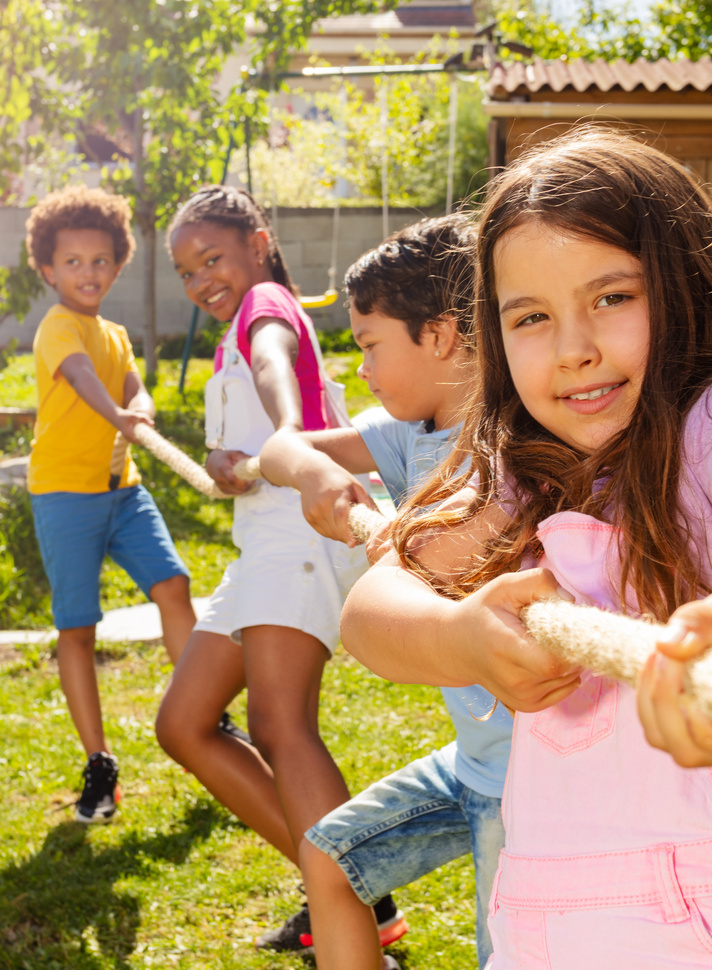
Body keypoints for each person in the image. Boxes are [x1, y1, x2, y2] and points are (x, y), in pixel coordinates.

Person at [341, 129, 712, 969]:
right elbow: (373, 608)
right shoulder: (530, 468)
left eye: (613, 297)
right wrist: (458, 634)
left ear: (686, 287)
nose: (574, 345)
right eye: (532, 317)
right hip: (561, 918)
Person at [256, 214, 509, 969]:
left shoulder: (517, 446)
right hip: (474, 760)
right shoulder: (407, 434)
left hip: (528, 781)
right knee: (331, 861)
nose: (359, 368)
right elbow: (280, 448)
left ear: (439, 335)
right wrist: (314, 472)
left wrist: (390, 530)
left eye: (370, 345)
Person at [152, 186, 392, 954]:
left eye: (211, 257)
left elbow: (273, 362)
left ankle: (350, 904)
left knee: (279, 726)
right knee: (184, 724)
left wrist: (287, 433)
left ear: (258, 242)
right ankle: (356, 892)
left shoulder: (265, 304)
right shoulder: (232, 330)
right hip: (263, 541)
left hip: (302, 532)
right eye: (187, 272)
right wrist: (236, 464)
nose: (201, 281)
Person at [24, 185, 198, 824]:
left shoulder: (116, 334)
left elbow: (131, 384)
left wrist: (143, 408)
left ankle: (205, 710)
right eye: (72, 263)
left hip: (121, 491)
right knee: (78, 625)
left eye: (99, 261)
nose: (87, 273)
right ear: (48, 269)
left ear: (117, 265)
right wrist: (122, 414)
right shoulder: (57, 328)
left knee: (173, 584)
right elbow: (84, 381)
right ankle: (99, 762)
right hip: (64, 493)